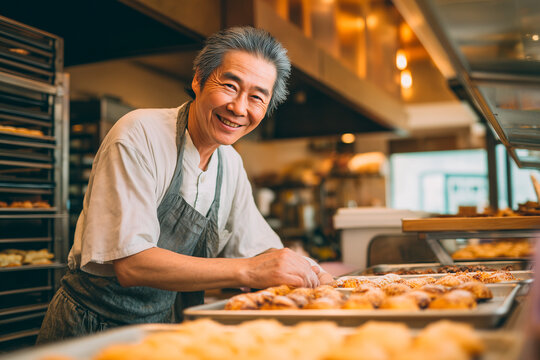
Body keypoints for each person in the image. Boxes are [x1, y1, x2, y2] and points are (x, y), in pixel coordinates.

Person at [37, 26, 333, 343]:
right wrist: (247, 270)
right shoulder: (140, 135)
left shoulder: (229, 165)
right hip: (89, 330)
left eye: (257, 97)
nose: (239, 108)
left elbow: (261, 248)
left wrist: (324, 279)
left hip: (160, 333)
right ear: (198, 79)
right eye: (230, 86)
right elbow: (131, 262)